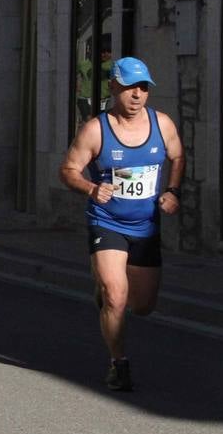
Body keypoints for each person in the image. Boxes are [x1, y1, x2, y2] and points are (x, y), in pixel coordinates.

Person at [59, 57, 184, 392]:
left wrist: (172, 190)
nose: (137, 94)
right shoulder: (95, 129)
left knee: (142, 306)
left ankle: (108, 298)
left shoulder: (163, 125)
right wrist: (91, 188)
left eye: (143, 87)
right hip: (107, 222)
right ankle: (119, 363)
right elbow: (68, 170)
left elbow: (177, 156)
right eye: (130, 86)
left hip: (146, 226)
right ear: (114, 87)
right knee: (116, 296)